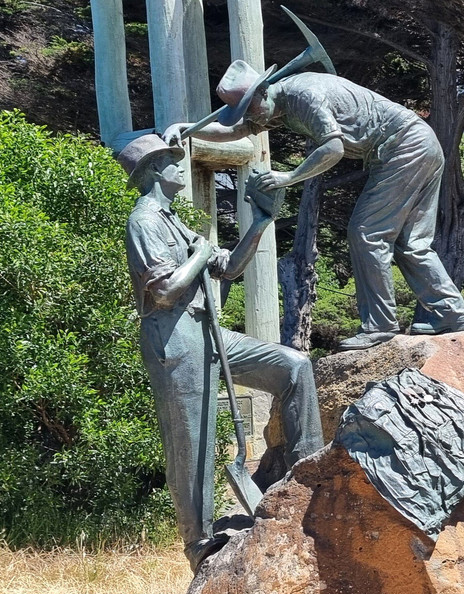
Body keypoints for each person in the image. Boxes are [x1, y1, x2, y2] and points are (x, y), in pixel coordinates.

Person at [116, 133, 324, 571]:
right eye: (172, 161)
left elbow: (228, 267)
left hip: (209, 331)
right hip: (174, 339)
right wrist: (200, 254)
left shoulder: (172, 220)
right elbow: (168, 291)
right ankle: (198, 543)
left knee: (294, 367)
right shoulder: (145, 221)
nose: (179, 167)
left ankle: (311, 476)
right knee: (192, 441)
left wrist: (261, 221)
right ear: (153, 171)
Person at [166, 60, 464, 351]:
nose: (254, 119)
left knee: (367, 233)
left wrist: (290, 176)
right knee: (411, 243)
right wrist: (188, 128)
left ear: (262, 91)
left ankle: (380, 324)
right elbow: (235, 131)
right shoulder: (273, 106)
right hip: (417, 144)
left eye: (252, 110)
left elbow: (333, 147)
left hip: (405, 147)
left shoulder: (303, 95)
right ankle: (449, 313)